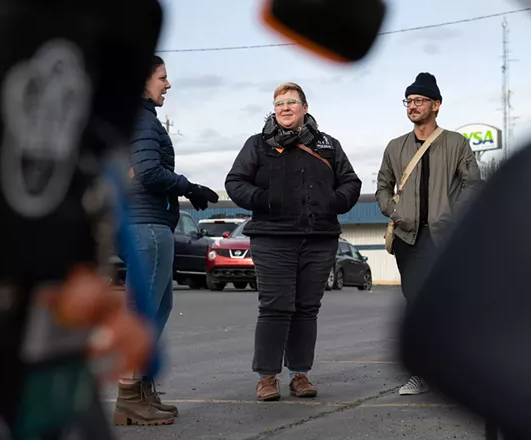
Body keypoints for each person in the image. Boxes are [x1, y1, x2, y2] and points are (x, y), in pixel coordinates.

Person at [225, 82, 362, 402]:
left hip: (319, 238)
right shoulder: (258, 144)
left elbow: (351, 182)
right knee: (275, 307)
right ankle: (266, 377)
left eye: (291, 102)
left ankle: (300, 374)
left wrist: (334, 202)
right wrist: (263, 199)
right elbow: (235, 181)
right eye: (279, 103)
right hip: (273, 238)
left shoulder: (328, 145)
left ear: (305, 108)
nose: (285, 108)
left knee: (306, 309)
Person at [114, 55, 219, 425]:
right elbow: (147, 171)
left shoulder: (139, 117)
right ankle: (129, 395)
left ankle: (140, 389)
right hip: (148, 225)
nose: (168, 85)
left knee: (158, 308)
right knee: (143, 312)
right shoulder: (142, 119)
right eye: (162, 78)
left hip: (150, 221)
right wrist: (189, 187)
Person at [375, 72, 481, 396]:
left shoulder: (456, 143)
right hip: (408, 238)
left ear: (436, 104)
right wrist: (395, 212)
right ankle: (421, 373)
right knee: (416, 302)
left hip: (444, 237)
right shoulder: (395, 147)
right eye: (409, 100)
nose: (413, 106)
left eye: (419, 100)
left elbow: (473, 184)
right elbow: (382, 186)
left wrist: (453, 216)